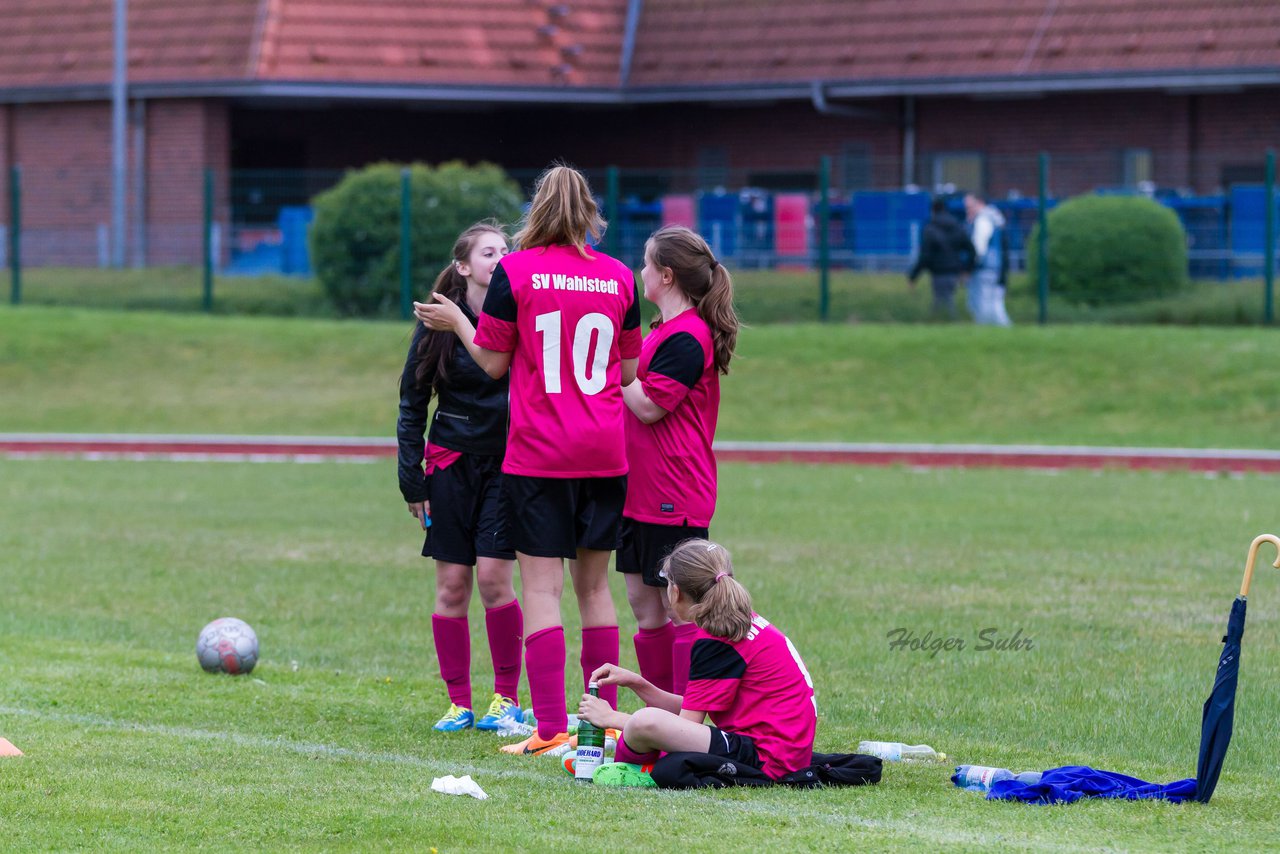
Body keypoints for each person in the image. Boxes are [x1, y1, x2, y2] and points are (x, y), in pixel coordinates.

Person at [416, 165, 642, 756]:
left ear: (537, 209)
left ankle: (548, 729)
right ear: (589, 211)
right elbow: (625, 373)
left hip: (541, 453)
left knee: (541, 591)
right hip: (604, 451)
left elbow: (491, 362)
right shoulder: (620, 276)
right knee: (595, 591)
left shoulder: (516, 270)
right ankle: (601, 726)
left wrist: (460, 322)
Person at [397, 222, 525, 734]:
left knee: (495, 579)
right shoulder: (435, 324)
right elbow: (411, 402)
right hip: (449, 464)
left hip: (508, 466)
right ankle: (458, 702)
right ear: (464, 267)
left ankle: (506, 699)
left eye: (506, 251)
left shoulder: (518, 316)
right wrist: (413, 479)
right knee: (451, 587)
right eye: (489, 252)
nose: (501, 258)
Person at [578, 538, 817, 786]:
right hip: (781, 754)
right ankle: (637, 766)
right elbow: (692, 711)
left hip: (768, 761)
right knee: (647, 721)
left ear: (676, 591)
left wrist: (611, 717)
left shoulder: (716, 639)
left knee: (643, 722)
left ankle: (639, 772)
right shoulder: (733, 621)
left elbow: (682, 728)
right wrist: (637, 683)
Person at [619, 226, 739, 697]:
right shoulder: (663, 331)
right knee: (644, 607)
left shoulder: (689, 337)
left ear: (666, 276)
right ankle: (659, 711)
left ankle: (687, 716)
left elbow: (649, 406)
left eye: (647, 265)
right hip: (638, 491)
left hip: (674, 492)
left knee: (680, 610)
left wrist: (611, 368)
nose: (641, 273)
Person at [907, 198, 975, 320]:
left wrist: (913, 276)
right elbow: (971, 251)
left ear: (933, 210)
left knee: (944, 301)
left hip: (938, 272)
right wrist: (967, 269)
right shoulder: (958, 227)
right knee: (945, 300)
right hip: (954, 272)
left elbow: (925, 256)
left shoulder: (930, 229)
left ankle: (950, 324)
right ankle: (940, 323)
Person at [963, 192, 1012, 326]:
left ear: (979, 203)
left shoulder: (982, 220)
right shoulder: (994, 218)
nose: (967, 211)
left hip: (983, 268)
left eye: (969, 207)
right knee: (994, 304)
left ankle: (987, 332)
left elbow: (979, 247)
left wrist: (969, 267)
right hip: (994, 267)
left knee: (982, 305)